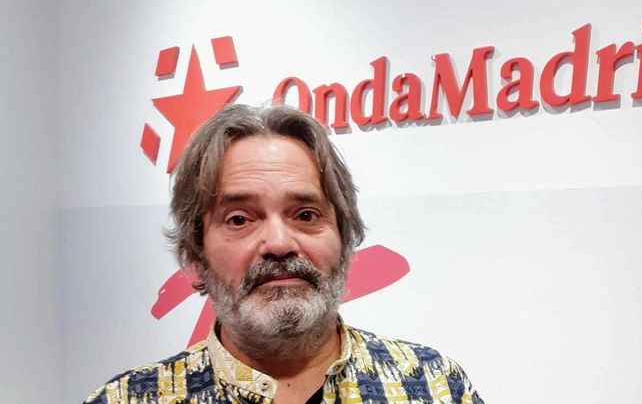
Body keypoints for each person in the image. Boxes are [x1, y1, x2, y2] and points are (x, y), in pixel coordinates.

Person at [84, 105, 483, 403]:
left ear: (344, 238)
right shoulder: (128, 399)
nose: (278, 243)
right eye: (239, 219)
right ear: (196, 253)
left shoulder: (433, 385)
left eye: (306, 215)